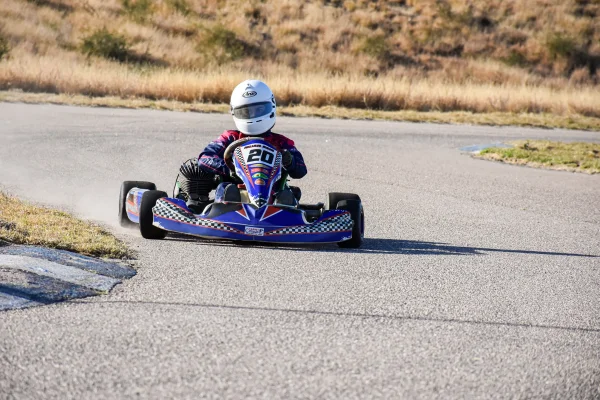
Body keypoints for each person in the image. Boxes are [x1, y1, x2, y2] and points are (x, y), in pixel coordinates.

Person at [177, 80, 307, 211]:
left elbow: (301, 170)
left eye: (259, 110)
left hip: (273, 193)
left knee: (286, 195)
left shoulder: (282, 142)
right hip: (236, 190)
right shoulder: (230, 137)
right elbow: (205, 158)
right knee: (227, 189)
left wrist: (290, 161)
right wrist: (230, 169)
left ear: (271, 106)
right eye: (246, 112)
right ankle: (226, 210)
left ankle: (282, 213)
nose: (253, 115)